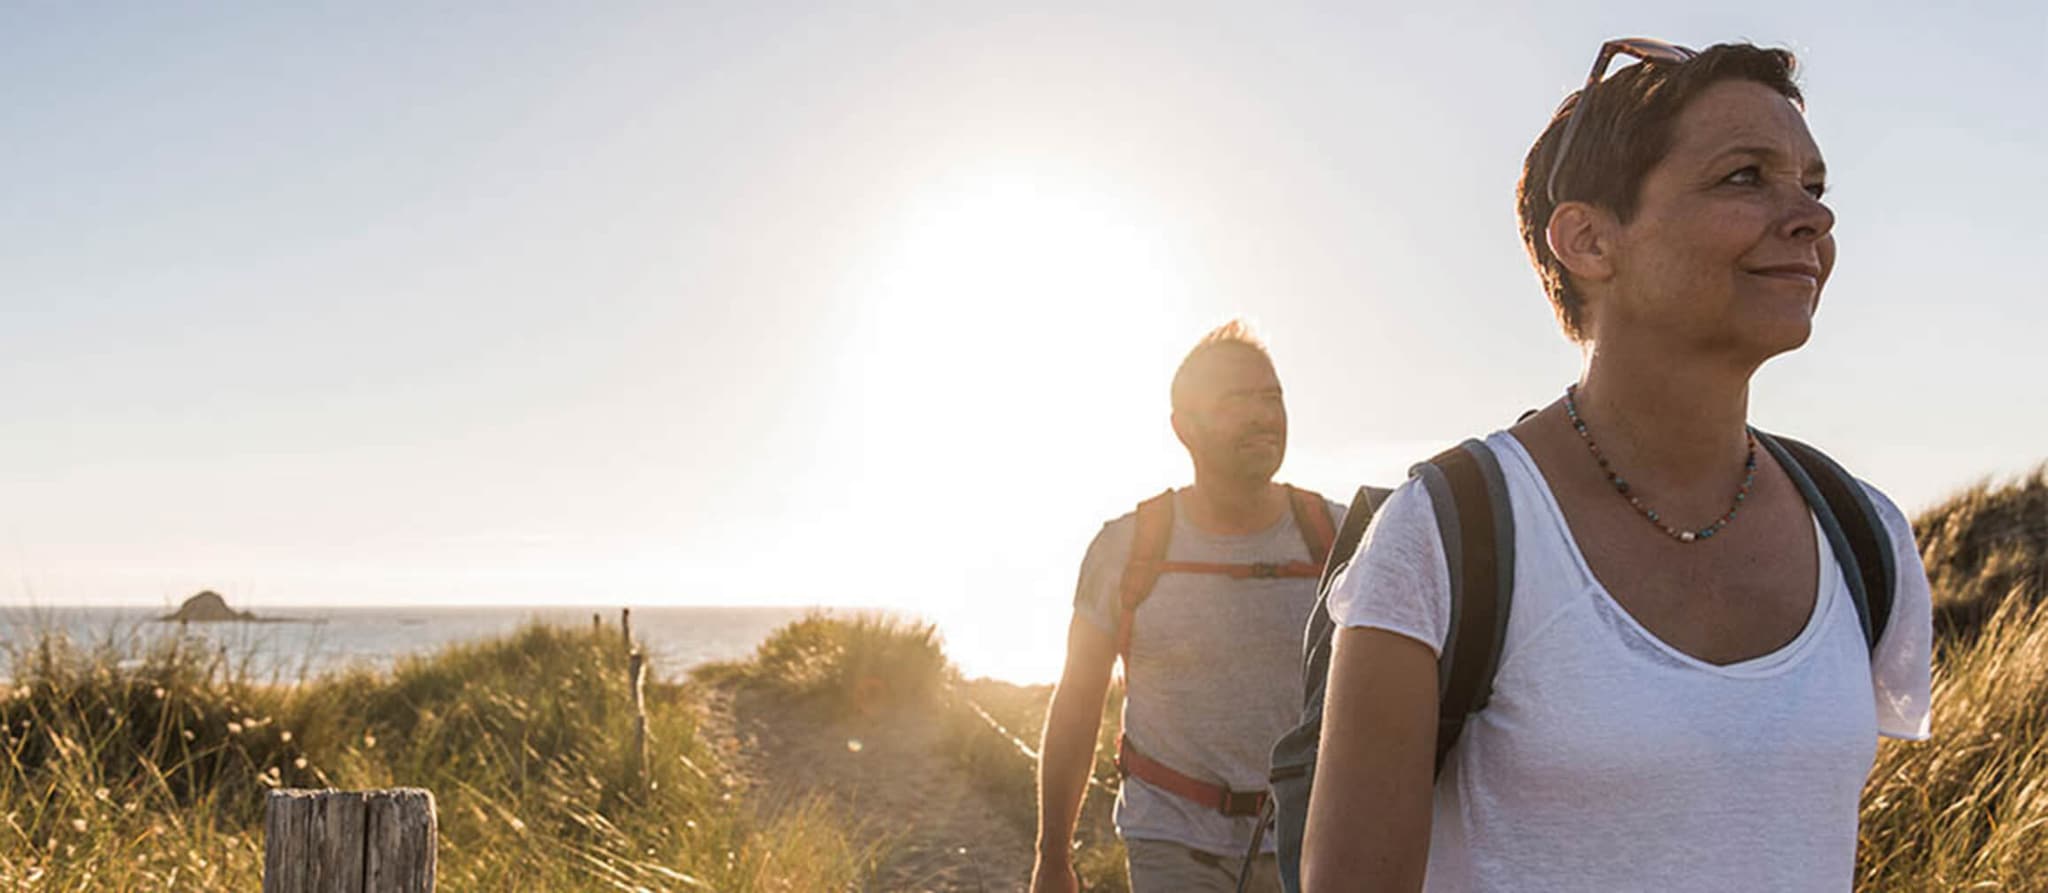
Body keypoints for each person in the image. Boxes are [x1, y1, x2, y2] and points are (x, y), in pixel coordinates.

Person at [1301, 40, 1933, 891]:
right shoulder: (1447, 533)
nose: (1812, 218)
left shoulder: (1866, 535)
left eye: (1813, 187)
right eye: (1745, 177)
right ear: (1590, 240)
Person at [1031, 321, 1347, 893]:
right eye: (1235, 400)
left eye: (1270, 397)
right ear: (1184, 429)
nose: (1262, 415)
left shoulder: (1343, 537)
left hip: (1311, 842)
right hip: (1171, 842)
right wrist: (1053, 858)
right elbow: (1077, 701)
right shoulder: (1125, 549)